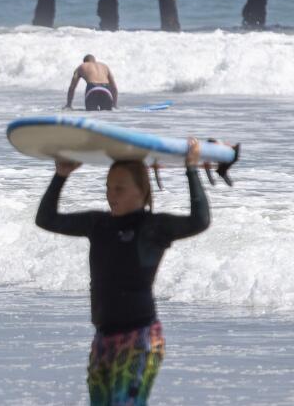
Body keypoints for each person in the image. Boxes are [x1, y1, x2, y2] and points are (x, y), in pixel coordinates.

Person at [35, 139, 211, 406]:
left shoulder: (153, 227)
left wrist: (191, 169)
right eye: (108, 187)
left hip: (140, 339)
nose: (111, 194)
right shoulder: (98, 224)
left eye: (119, 188)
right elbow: (46, 219)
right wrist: (61, 175)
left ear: (141, 191)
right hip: (103, 339)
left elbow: (199, 221)